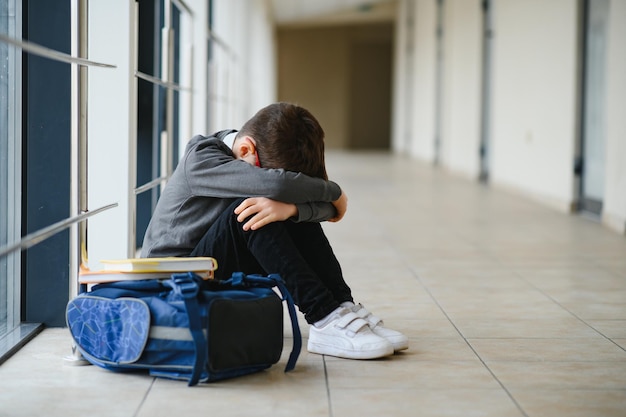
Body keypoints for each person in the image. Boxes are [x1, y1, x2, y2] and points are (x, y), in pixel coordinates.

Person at [141, 102, 408, 359]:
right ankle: (323, 316)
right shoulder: (201, 160)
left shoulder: (245, 156)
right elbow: (280, 187)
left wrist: (293, 210)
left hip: (211, 267)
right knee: (248, 212)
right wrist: (333, 191)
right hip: (173, 283)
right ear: (245, 149)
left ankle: (340, 306)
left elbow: (319, 207)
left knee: (274, 208)